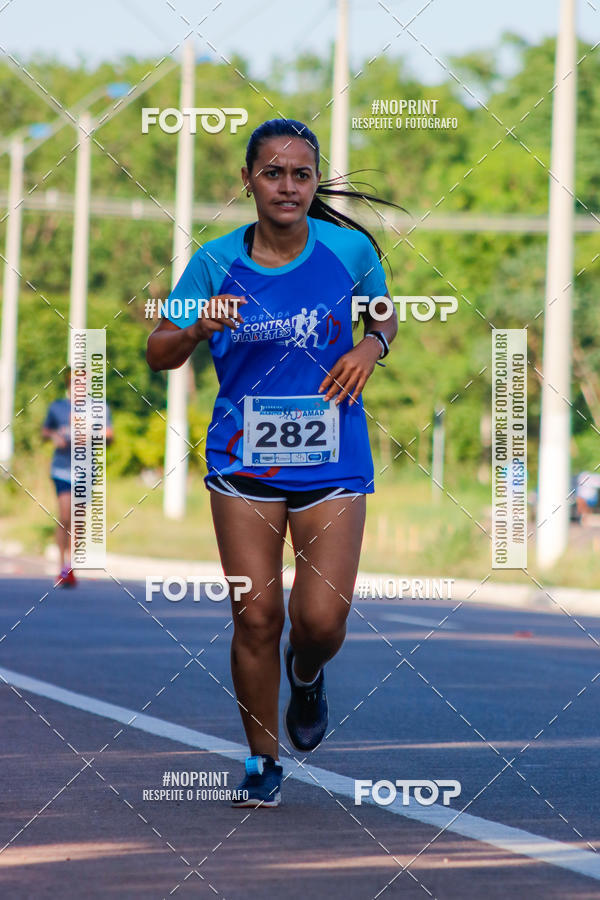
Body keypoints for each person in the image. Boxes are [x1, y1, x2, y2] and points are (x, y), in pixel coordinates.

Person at [147, 118, 399, 807]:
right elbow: (158, 351)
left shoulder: (348, 251)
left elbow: (382, 316)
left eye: (300, 174)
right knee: (255, 616)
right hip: (243, 458)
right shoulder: (213, 261)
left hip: (333, 461)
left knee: (319, 621)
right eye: (273, 173)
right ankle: (262, 760)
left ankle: (308, 673)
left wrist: (370, 348)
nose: (287, 186)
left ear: (314, 182)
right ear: (248, 181)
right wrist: (198, 325)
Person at [42, 367, 113, 587]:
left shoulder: (98, 408)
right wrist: (55, 436)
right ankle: (61, 565)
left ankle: (71, 564)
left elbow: (109, 435)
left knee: (78, 519)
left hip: (86, 470)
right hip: (62, 468)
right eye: (75, 382)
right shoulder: (58, 407)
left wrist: (90, 433)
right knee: (65, 515)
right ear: (68, 384)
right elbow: (45, 431)